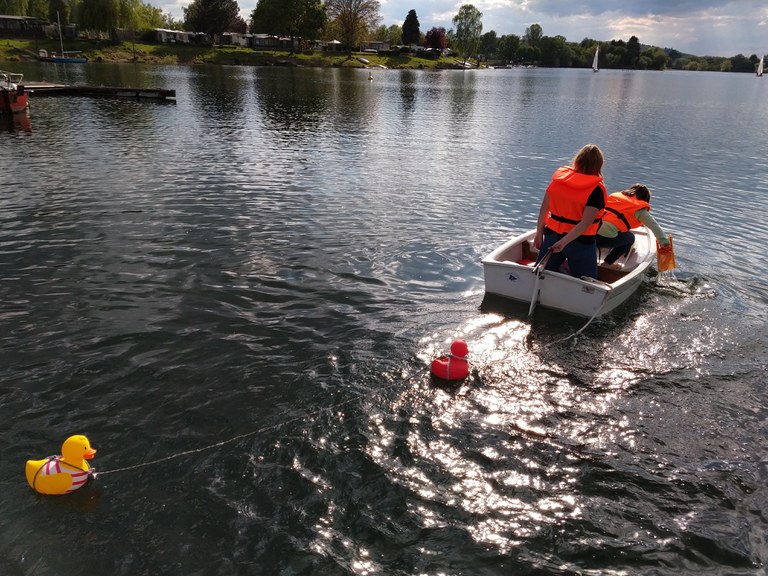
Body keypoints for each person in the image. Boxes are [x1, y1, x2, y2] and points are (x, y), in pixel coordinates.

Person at [534, 144, 607, 279]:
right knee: (586, 283)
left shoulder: (558, 181)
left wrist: (539, 234)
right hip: (580, 242)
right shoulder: (596, 190)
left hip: (552, 237)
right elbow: (585, 224)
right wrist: (563, 243)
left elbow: (544, 210)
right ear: (599, 165)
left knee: (540, 276)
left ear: (577, 161)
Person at [596, 184, 670, 269]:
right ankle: (607, 263)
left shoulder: (614, 198)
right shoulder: (639, 209)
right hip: (604, 240)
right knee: (630, 238)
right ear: (645, 199)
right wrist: (664, 241)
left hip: (589, 234)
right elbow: (654, 226)